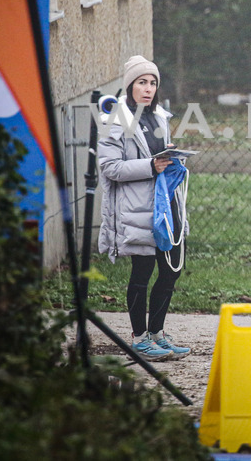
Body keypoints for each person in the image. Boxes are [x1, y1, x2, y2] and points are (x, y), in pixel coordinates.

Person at [97, 55, 191, 361]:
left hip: (165, 205)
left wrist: (172, 160)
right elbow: (110, 167)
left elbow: (160, 156)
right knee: (142, 272)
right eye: (142, 82)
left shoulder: (160, 116)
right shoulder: (117, 119)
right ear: (130, 86)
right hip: (137, 209)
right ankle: (139, 339)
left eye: (152, 83)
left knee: (170, 271)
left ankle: (157, 334)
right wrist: (150, 166)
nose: (148, 88)